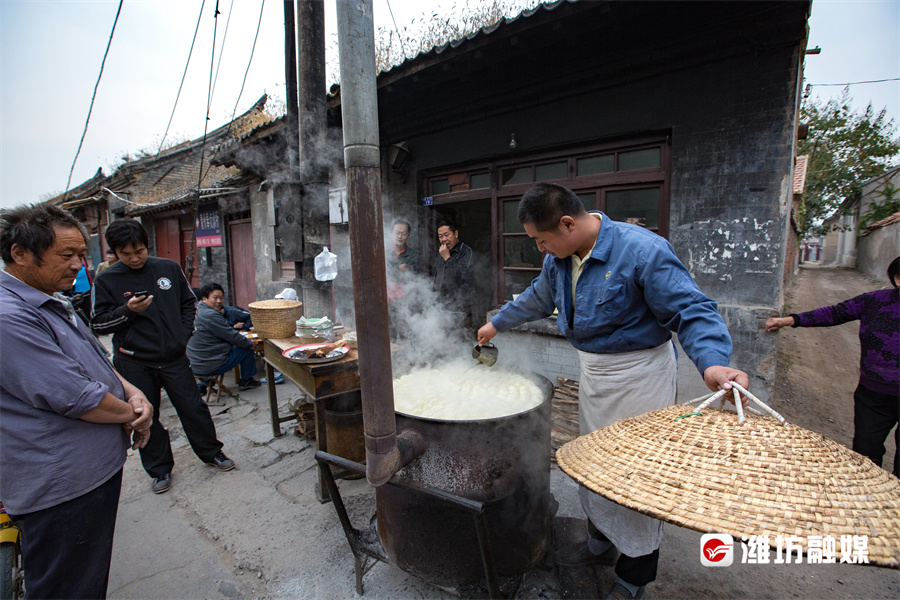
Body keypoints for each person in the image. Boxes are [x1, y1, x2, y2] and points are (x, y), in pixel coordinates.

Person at [476, 182, 748, 600]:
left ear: (567, 223)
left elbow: (692, 310)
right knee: (594, 466)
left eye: (541, 240)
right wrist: (497, 323)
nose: (540, 249)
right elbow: (538, 297)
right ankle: (600, 545)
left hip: (641, 379)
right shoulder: (561, 259)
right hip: (597, 377)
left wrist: (712, 362)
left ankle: (634, 577)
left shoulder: (642, 251)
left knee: (636, 479)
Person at [0, 203, 152, 599]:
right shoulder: (8, 316)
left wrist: (132, 393)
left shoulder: (50, 299)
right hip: (62, 486)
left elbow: (94, 362)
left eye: (81, 256)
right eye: (65, 256)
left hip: (87, 477)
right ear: (19, 255)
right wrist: (133, 416)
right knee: (69, 588)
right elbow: (76, 396)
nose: (77, 266)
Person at [91, 219, 235, 495]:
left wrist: (182, 337)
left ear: (147, 245)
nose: (134, 258)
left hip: (173, 356)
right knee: (147, 415)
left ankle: (211, 452)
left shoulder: (168, 268)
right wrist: (128, 310)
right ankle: (159, 470)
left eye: (139, 251)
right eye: (126, 254)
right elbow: (98, 324)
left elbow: (188, 304)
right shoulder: (106, 279)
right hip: (133, 360)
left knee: (193, 407)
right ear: (115, 253)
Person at [765, 256, 899, 477]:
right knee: (866, 451)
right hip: (874, 395)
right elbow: (834, 313)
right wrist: (790, 320)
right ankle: (867, 494)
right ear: (897, 278)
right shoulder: (874, 301)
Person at [187, 283, 262, 390]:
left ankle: (203, 384)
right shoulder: (210, 315)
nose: (219, 301)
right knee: (245, 348)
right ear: (204, 299)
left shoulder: (196, 310)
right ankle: (247, 380)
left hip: (195, 364)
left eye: (221, 298)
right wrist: (250, 344)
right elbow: (231, 336)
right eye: (215, 298)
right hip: (208, 365)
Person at [432, 219, 474, 329]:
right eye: (440, 236)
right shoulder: (442, 252)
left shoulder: (466, 252)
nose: (444, 239)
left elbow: (462, 277)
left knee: (458, 341)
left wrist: (447, 258)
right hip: (441, 307)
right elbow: (436, 277)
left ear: (455, 234)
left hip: (458, 309)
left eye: (447, 235)